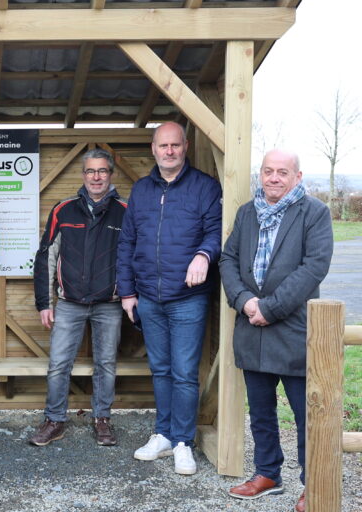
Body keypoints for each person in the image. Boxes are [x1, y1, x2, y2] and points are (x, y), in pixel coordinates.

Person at [220, 149, 332, 512]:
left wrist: (269, 308)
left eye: (282, 172)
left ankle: (311, 483)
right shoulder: (247, 213)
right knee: (261, 411)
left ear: (297, 177)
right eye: (268, 171)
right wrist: (244, 302)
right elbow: (229, 260)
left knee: (305, 413)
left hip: (294, 331)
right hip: (252, 328)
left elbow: (314, 268)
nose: (273, 178)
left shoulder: (315, 213)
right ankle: (268, 473)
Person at [116, 121, 222, 475]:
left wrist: (204, 255)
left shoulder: (205, 187)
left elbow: (216, 232)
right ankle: (162, 434)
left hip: (188, 298)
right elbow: (127, 242)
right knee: (159, 369)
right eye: (163, 146)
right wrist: (128, 292)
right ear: (154, 148)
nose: (169, 151)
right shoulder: (142, 190)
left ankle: (182, 442)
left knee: (184, 373)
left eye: (175, 145)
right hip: (148, 296)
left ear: (186, 146)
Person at [30, 148, 126, 447]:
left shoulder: (125, 211)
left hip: (109, 304)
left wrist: (130, 296)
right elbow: (46, 257)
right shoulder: (63, 210)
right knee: (58, 363)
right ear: (83, 175)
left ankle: (102, 419)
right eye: (90, 171)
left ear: (110, 174)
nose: (96, 177)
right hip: (69, 303)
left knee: (106, 364)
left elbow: (134, 257)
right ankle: (55, 420)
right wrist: (45, 303)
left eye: (102, 171)